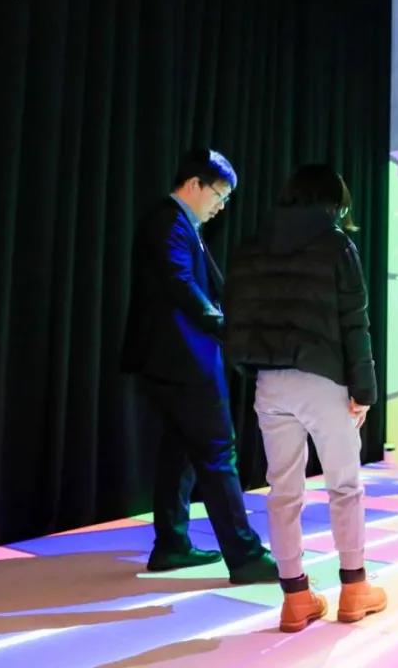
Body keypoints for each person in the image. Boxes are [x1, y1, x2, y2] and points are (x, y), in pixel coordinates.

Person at [224, 164, 386, 632]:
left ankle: (295, 598)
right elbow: (354, 321)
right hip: (323, 378)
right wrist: (364, 391)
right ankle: (354, 589)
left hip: (270, 381)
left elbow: (235, 315)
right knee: (344, 486)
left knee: (283, 492)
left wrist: (250, 365)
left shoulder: (252, 244)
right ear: (333, 202)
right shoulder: (336, 245)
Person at [121, 148, 277, 584]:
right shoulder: (170, 222)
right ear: (195, 185)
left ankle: (171, 545)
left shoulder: (177, 223)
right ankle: (245, 556)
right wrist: (225, 326)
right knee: (217, 451)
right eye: (220, 195)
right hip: (182, 359)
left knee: (181, 452)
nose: (221, 206)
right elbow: (182, 284)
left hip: (172, 360)